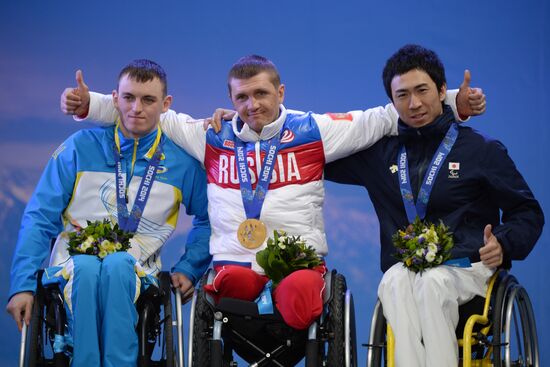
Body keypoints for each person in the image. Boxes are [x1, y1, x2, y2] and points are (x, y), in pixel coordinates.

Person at [61, 54, 484, 330]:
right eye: (242, 97)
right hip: (234, 265)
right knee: (231, 286)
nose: (252, 104)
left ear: (280, 93)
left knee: (299, 293)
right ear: (229, 98)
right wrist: (90, 104)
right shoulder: (211, 135)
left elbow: (379, 118)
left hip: (298, 264)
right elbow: (148, 113)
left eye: (261, 93)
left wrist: (452, 105)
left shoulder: (313, 130)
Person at [325, 44, 544, 367]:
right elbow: (312, 154)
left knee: (433, 282)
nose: (413, 104)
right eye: (402, 95)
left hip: (467, 267)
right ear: (391, 102)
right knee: (394, 279)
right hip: (408, 269)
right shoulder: (378, 154)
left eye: (422, 90)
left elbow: (527, 212)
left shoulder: (480, 150)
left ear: (443, 91)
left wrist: (505, 243)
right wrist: (245, 128)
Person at [7, 59, 211, 367]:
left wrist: (189, 266)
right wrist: (22, 285)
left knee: (118, 265)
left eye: (148, 100)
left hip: (139, 271)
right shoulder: (78, 148)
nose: (136, 108)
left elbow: (211, 218)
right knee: (87, 269)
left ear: (165, 104)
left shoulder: (181, 163)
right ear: (115, 99)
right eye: (128, 98)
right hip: (71, 267)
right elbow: (39, 217)